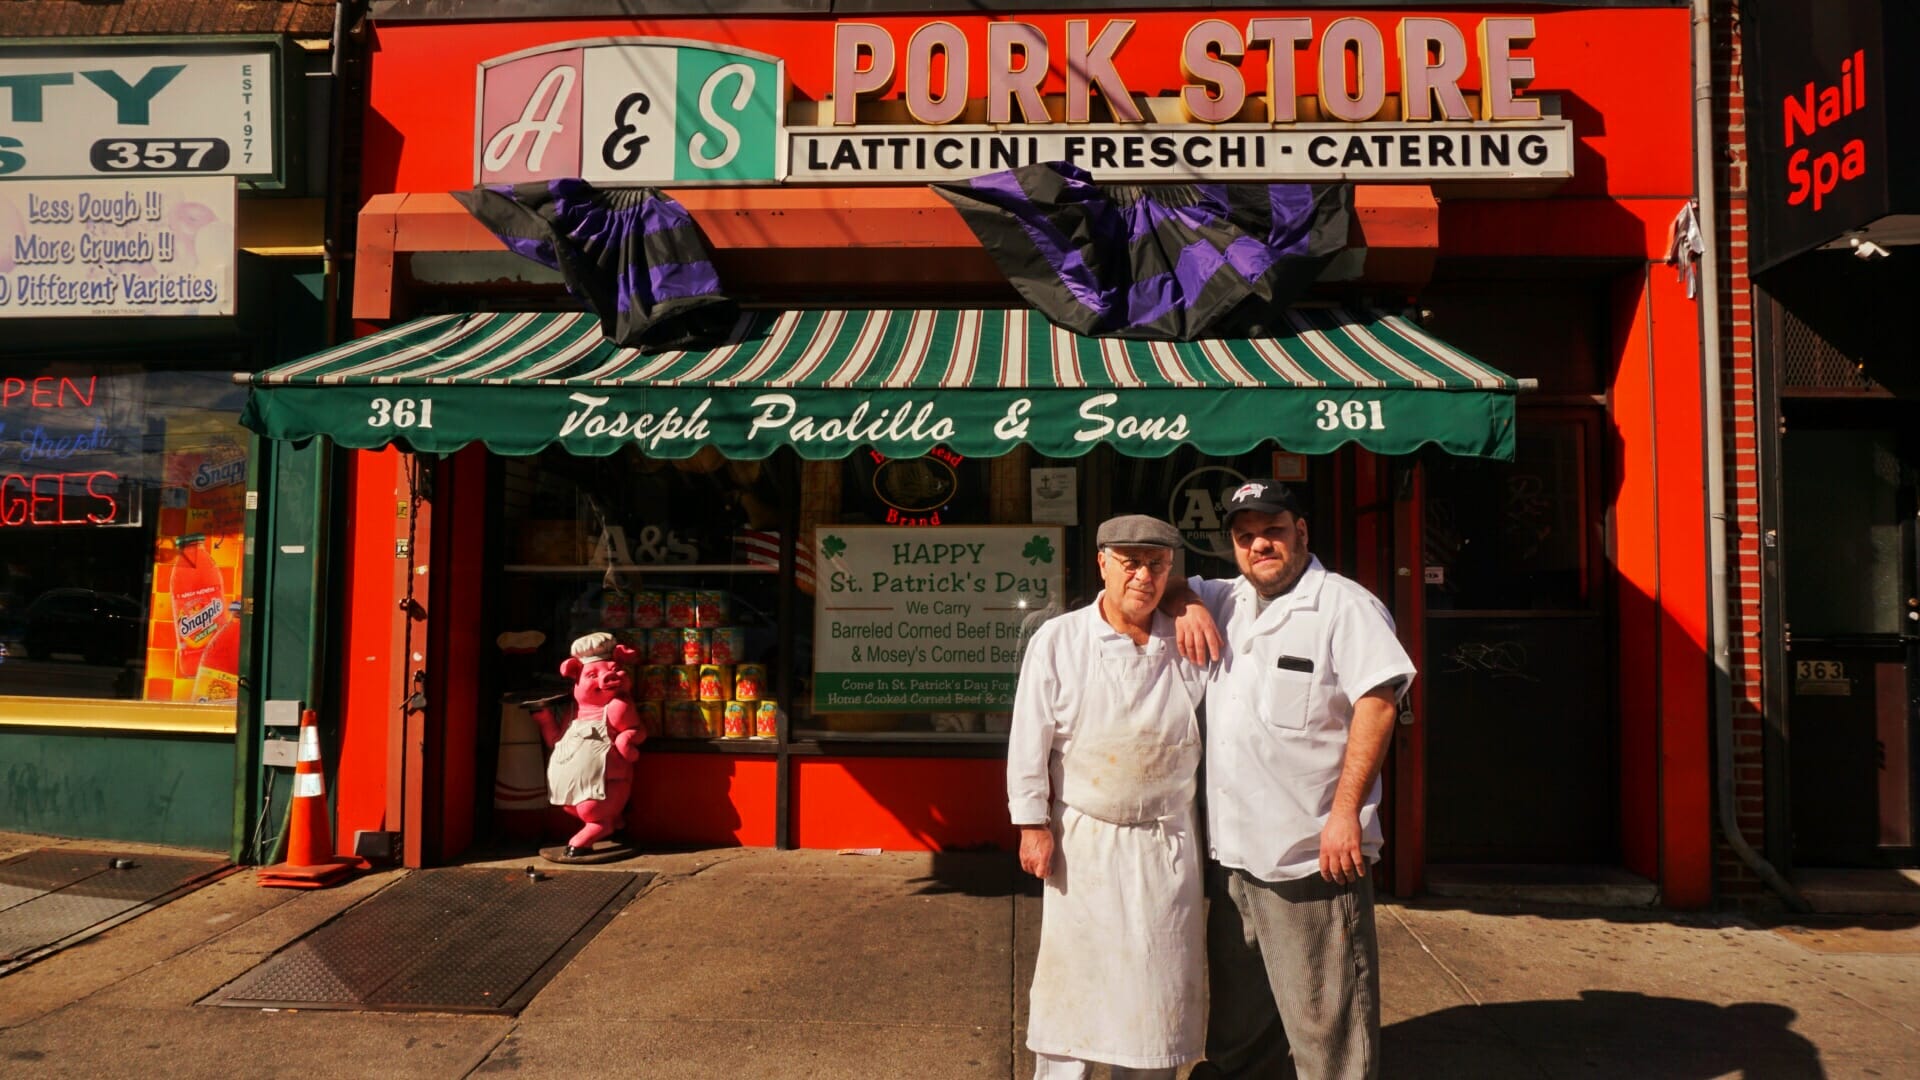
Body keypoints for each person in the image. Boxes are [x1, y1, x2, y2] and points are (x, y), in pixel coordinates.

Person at [1167, 480, 1416, 1080]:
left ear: (1302, 531)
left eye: (1273, 531)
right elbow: (1162, 582)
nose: (1260, 545)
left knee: (1329, 1035)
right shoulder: (1226, 597)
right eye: (1245, 536)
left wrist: (1345, 815)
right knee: (1238, 1032)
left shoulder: (1344, 605)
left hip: (1311, 858)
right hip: (1235, 862)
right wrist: (1187, 602)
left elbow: (1378, 704)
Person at [1008, 514, 1210, 1080]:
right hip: (1085, 841)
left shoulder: (1188, 639)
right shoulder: (1061, 639)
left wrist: (1190, 603)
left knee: (1157, 986)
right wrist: (1031, 822)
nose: (1143, 577)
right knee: (1077, 984)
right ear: (1102, 563)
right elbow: (1030, 737)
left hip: (1167, 842)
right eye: (1130, 563)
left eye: (1157, 565)